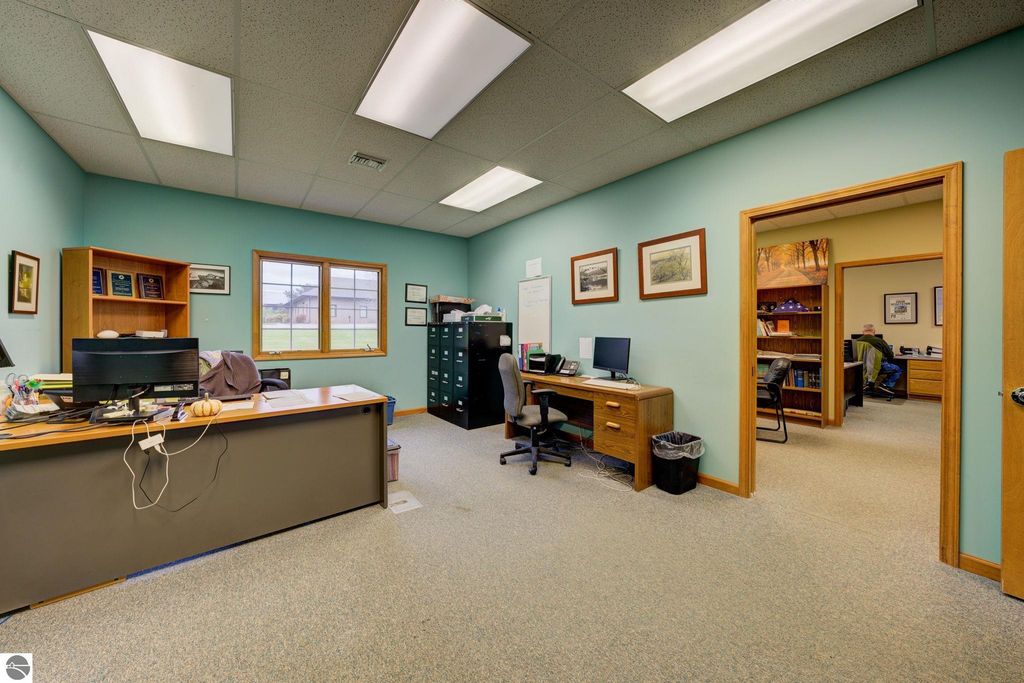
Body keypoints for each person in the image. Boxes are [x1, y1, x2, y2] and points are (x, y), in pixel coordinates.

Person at [859, 324, 901, 390]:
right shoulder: (879, 341)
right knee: (898, 369)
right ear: (874, 331)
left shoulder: (856, 341)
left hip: (861, 367)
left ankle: (871, 384)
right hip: (879, 367)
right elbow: (890, 355)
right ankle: (886, 386)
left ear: (862, 331)